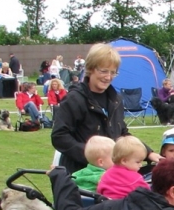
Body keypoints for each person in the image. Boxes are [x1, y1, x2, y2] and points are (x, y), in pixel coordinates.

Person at [51, 43, 160, 174]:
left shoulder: (116, 99)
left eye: (113, 72)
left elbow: (122, 134)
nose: (108, 77)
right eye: (103, 71)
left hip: (111, 172)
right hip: (81, 174)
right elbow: (60, 137)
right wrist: (94, 156)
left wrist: (148, 153)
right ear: (90, 69)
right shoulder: (74, 99)